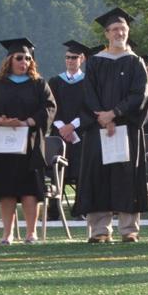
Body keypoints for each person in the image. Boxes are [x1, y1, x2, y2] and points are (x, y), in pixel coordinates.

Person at [73, 8, 148, 243]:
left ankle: (129, 230)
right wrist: (101, 117)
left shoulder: (136, 62)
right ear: (106, 34)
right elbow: (88, 94)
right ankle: (99, 231)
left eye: (123, 29)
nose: (120, 33)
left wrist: (115, 114)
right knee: (99, 175)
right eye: (115, 29)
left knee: (127, 176)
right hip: (99, 129)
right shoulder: (96, 62)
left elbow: (140, 95)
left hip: (126, 128)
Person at [0, 38, 57, 245]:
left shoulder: (39, 84)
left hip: (29, 143)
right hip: (3, 144)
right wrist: (0, 120)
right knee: (6, 190)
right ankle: (8, 234)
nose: (24, 62)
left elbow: (49, 108)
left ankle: (31, 233)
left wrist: (29, 121)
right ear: (9, 59)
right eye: (19, 58)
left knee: (30, 190)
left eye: (28, 58)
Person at [49, 40, 91, 188]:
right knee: (57, 169)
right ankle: (54, 208)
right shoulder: (55, 81)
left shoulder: (89, 82)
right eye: (67, 57)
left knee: (81, 171)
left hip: (81, 132)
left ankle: (80, 208)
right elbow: (51, 107)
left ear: (82, 58)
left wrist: (72, 126)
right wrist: (62, 127)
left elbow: (90, 108)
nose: (70, 60)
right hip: (59, 133)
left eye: (74, 57)